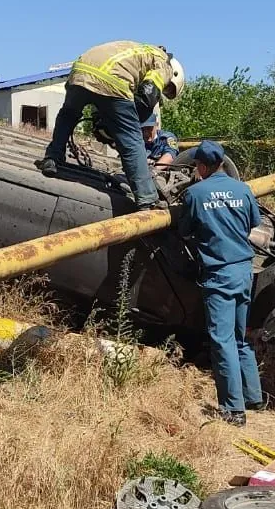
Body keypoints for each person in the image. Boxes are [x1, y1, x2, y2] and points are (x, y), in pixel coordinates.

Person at [36, 42, 185, 210]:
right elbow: (147, 95)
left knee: (68, 115)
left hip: (79, 72)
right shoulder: (164, 64)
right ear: (174, 74)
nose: (165, 91)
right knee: (132, 140)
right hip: (111, 80)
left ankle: (52, 159)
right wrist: (125, 126)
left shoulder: (136, 50)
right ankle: (147, 198)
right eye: (168, 89)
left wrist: (106, 121)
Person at [177, 141, 262, 426]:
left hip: (219, 275)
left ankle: (233, 409)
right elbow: (253, 222)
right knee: (240, 337)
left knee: (222, 340)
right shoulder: (244, 189)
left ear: (200, 166)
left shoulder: (195, 193)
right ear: (223, 163)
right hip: (243, 271)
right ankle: (253, 396)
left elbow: (184, 230)